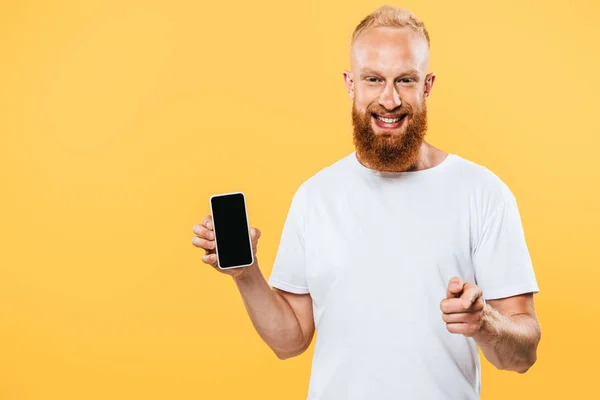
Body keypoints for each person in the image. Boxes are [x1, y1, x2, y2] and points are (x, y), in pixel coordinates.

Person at [192, 5, 541, 399]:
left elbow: (522, 354)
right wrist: (247, 274)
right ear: (350, 84)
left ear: (426, 86)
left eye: (405, 80)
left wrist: (486, 323)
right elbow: (289, 342)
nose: (389, 99)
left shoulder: (482, 192)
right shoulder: (315, 197)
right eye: (373, 79)